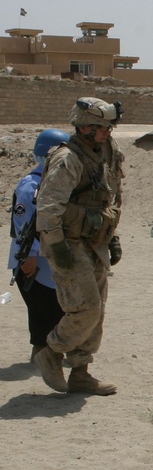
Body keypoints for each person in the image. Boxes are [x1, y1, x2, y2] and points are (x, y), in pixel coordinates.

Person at [33, 97, 125, 395]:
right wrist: (56, 247)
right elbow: (48, 208)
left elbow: (108, 197)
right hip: (68, 241)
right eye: (101, 127)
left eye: (109, 127)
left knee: (98, 310)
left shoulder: (107, 152)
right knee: (86, 307)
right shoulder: (67, 159)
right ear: (84, 127)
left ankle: (81, 373)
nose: (106, 133)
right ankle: (50, 352)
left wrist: (112, 237)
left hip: (94, 238)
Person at [7, 129, 70, 361]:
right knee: (42, 312)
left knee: (56, 311)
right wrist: (29, 257)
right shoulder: (30, 185)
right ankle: (42, 359)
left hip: (51, 260)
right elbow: (23, 224)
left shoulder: (54, 184)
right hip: (34, 263)